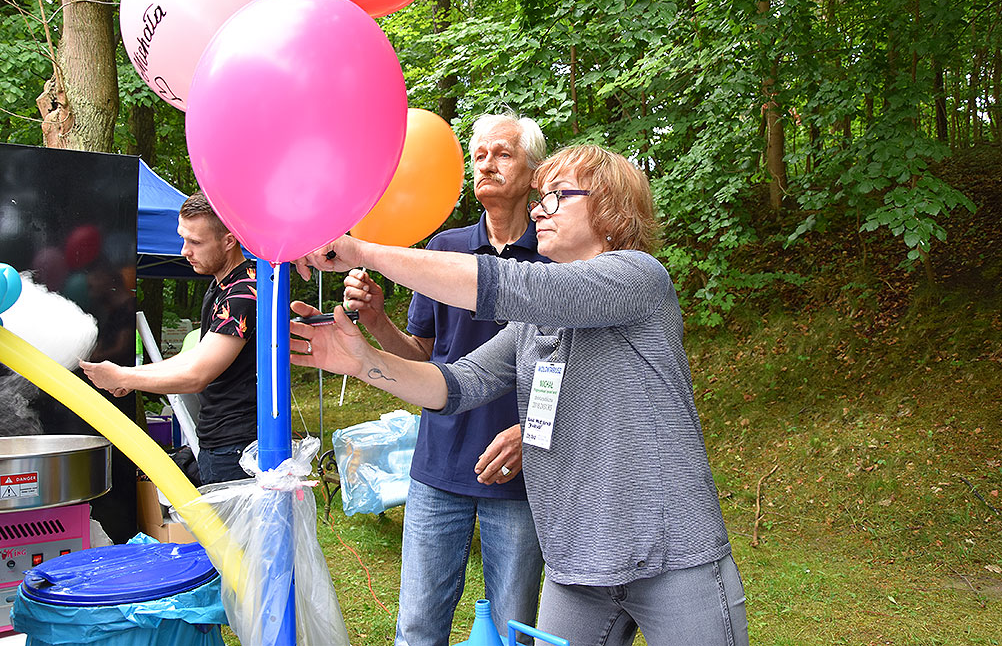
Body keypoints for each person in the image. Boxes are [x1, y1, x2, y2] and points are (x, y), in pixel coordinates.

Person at [291, 144, 748, 645]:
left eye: (557, 196)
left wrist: (362, 251)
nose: (537, 210)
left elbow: (510, 284)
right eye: (539, 199)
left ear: (610, 209)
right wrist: (363, 361)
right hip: (576, 563)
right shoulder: (534, 323)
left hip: (672, 554)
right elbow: (456, 383)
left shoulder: (638, 277)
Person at [297, 113, 547, 646]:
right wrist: (376, 322)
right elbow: (422, 358)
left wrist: (535, 436)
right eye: (479, 155)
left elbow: (574, 372)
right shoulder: (442, 251)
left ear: (533, 172)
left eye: (503, 154)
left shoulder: (555, 258)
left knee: (515, 631)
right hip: (439, 464)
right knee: (416, 627)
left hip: (520, 474)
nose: (487, 164)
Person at [81, 191, 257, 485]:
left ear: (229, 240)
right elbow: (196, 356)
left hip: (236, 445)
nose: (184, 251)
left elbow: (196, 375)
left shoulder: (242, 293)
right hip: (223, 440)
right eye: (183, 238)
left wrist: (123, 376)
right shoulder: (225, 285)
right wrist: (129, 376)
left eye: (196, 242)